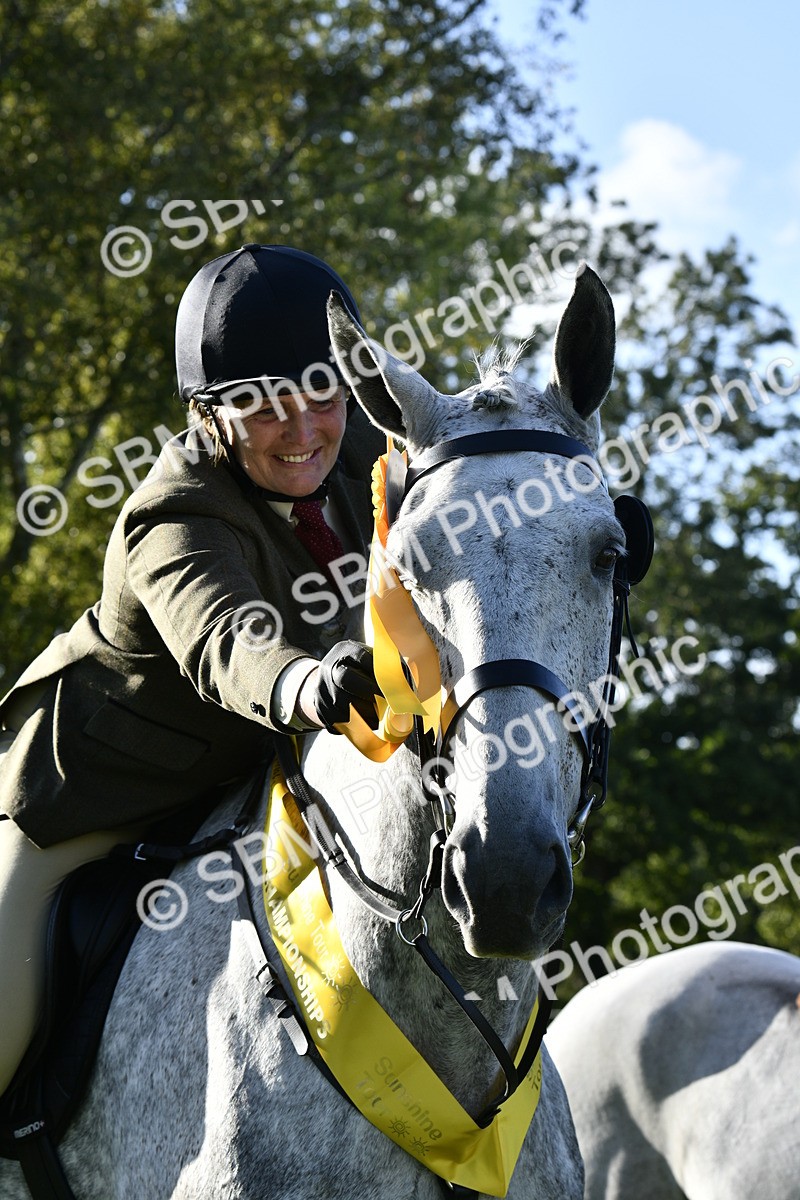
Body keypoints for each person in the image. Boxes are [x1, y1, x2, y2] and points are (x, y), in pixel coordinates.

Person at [0, 243, 385, 1096]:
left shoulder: (368, 454)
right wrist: (302, 683)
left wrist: (593, 514)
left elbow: (475, 483)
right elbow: (226, 641)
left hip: (254, 787)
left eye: (322, 394)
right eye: (262, 407)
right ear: (208, 414)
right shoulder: (174, 513)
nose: (302, 430)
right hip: (96, 795)